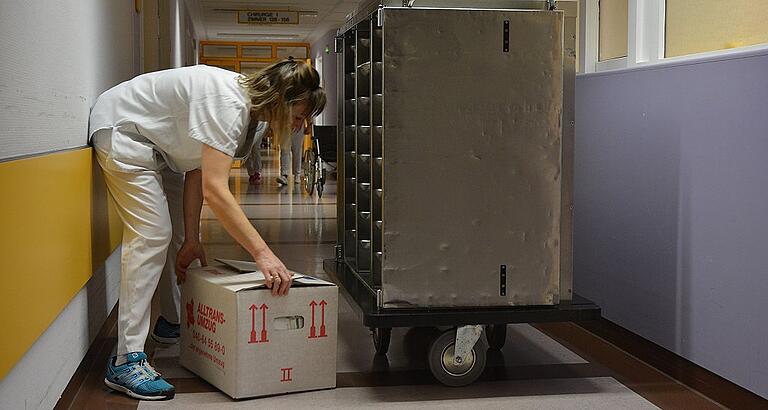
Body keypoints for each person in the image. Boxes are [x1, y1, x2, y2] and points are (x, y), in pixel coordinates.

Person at [88, 60, 325, 401]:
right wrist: (263, 253)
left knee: (180, 238)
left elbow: (198, 173)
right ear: (280, 102)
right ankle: (126, 360)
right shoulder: (228, 103)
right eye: (299, 116)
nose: (301, 126)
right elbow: (216, 190)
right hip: (123, 132)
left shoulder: (253, 118)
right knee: (153, 235)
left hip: (159, 148)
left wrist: (194, 239)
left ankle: (172, 322)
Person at [276, 121, 307, 185]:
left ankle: (297, 175)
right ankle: (284, 175)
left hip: (298, 126)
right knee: (284, 150)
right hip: (285, 125)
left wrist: (309, 124)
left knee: (297, 151)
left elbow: (307, 113)